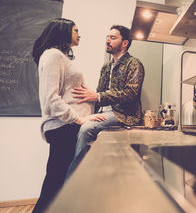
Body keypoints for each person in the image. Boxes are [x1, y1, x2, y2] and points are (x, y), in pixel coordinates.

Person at [31, 18, 105, 213]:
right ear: (63, 32)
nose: (79, 34)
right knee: (55, 183)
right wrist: (79, 119)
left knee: (61, 182)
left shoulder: (59, 56)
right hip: (64, 127)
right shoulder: (52, 55)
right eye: (75, 30)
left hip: (68, 127)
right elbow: (50, 99)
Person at [65, 25, 145, 178]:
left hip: (124, 115)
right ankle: (86, 179)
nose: (107, 41)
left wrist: (99, 97)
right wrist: (87, 97)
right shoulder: (106, 66)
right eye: (107, 37)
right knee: (72, 125)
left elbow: (131, 93)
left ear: (124, 43)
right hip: (103, 112)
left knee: (87, 128)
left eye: (113, 38)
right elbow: (99, 92)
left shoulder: (134, 64)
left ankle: (73, 182)